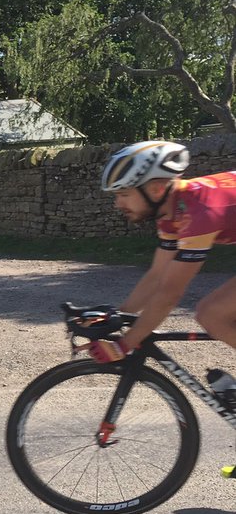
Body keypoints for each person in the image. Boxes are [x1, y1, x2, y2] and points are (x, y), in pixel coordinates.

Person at [91, 140, 236, 380]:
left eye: (124, 194)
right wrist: (119, 317)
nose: (118, 204)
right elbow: (157, 275)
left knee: (212, 314)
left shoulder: (199, 212)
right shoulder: (172, 212)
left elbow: (170, 293)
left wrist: (124, 344)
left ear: (157, 189)